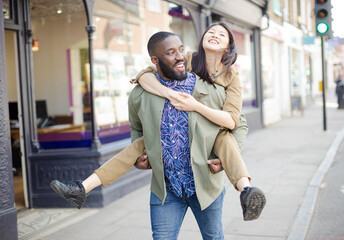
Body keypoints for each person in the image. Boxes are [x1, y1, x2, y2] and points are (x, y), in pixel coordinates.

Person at [51, 23, 265, 222]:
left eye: (222, 34)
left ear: (229, 47)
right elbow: (146, 75)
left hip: (210, 133)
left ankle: (247, 191)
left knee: (225, 140)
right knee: (136, 146)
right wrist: (170, 94)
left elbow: (236, 121)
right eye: (211, 31)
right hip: (174, 135)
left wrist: (195, 106)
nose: (215, 35)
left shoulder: (231, 77)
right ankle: (82, 189)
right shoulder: (188, 59)